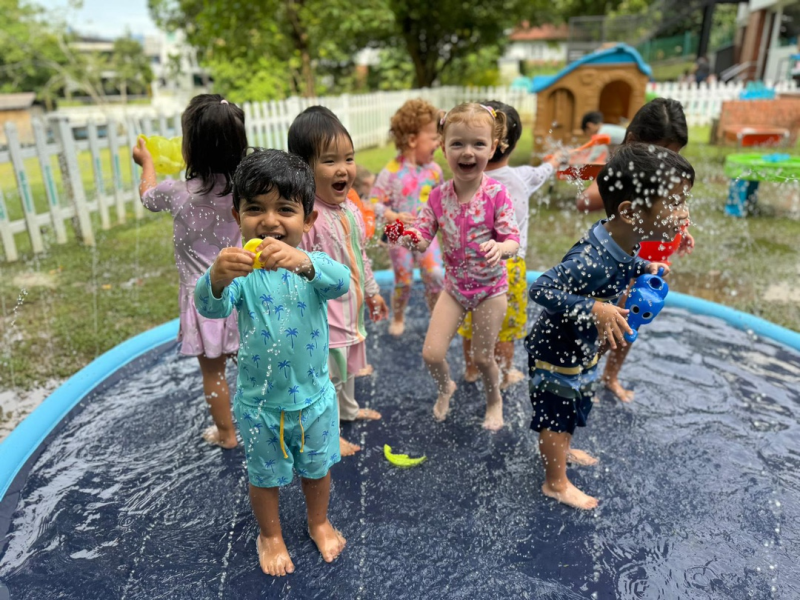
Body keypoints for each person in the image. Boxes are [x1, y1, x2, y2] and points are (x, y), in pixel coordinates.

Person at [195, 149, 349, 576]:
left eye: (285, 209)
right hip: (261, 406)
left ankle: (318, 522)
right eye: (255, 209)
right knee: (264, 477)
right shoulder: (241, 273)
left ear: (308, 219)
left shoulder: (312, 269)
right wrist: (215, 278)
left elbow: (342, 284)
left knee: (317, 470)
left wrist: (305, 262)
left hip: (315, 400)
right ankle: (271, 535)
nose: (269, 221)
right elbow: (209, 308)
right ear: (237, 215)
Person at [527, 143, 693, 509]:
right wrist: (594, 308)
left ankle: (562, 452)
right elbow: (540, 289)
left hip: (581, 345)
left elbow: (625, 264)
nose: (685, 213)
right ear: (630, 211)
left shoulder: (622, 240)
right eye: (675, 202)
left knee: (576, 401)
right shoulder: (590, 259)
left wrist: (645, 268)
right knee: (556, 413)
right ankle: (554, 482)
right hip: (556, 350)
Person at [133, 94, 247, 449]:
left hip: (202, 300)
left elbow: (147, 195)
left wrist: (146, 163)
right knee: (254, 363)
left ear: (189, 149)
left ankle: (227, 434)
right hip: (242, 294)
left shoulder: (175, 193)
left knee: (213, 372)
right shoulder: (245, 192)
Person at [400, 103, 520, 431]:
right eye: (457, 144)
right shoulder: (438, 197)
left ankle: (494, 400)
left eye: (478, 144)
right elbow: (423, 237)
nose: (468, 152)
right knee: (431, 354)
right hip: (454, 289)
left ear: (492, 149)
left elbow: (513, 240)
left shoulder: (496, 194)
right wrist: (411, 238)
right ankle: (445, 387)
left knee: (482, 358)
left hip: (490, 290)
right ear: (443, 148)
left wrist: (501, 247)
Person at [576, 98, 695, 401]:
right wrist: (620, 187)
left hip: (653, 260)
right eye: (660, 152)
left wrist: (681, 230)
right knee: (609, 318)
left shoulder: (666, 175)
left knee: (633, 320)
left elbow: (670, 206)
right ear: (633, 141)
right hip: (623, 258)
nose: (666, 162)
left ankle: (610, 375)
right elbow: (584, 202)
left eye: (674, 154)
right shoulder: (622, 171)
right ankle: (581, 371)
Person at [289, 106, 389, 457]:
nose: (343, 169)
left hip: (351, 312)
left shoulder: (350, 210)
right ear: (304, 168)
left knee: (346, 371)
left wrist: (372, 291)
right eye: (330, 161)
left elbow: (360, 257)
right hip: (323, 321)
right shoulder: (308, 219)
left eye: (349, 158)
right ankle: (325, 434)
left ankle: (347, 410)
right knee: (326, 379)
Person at [458, 100, 562, 390]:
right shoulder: (522, 177)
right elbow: (545, 170)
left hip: (470, 266)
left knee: (471, 323)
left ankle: (470, 370)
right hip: (508, 267)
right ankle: (504, 375)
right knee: (505, 330)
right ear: (511, 145)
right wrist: (555, 160)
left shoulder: (464, 179)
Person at [370, 98, 444, 336]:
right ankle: (399, 316)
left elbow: (442, 202)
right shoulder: (391, 172)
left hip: (425, 232)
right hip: (398, 233)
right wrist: (391, 215)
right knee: (404, 280)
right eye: (433, 138)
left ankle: (437, 318)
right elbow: (372, 202)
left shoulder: (434, 171)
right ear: (413, 140)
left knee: (434, 274)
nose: (438, 143)